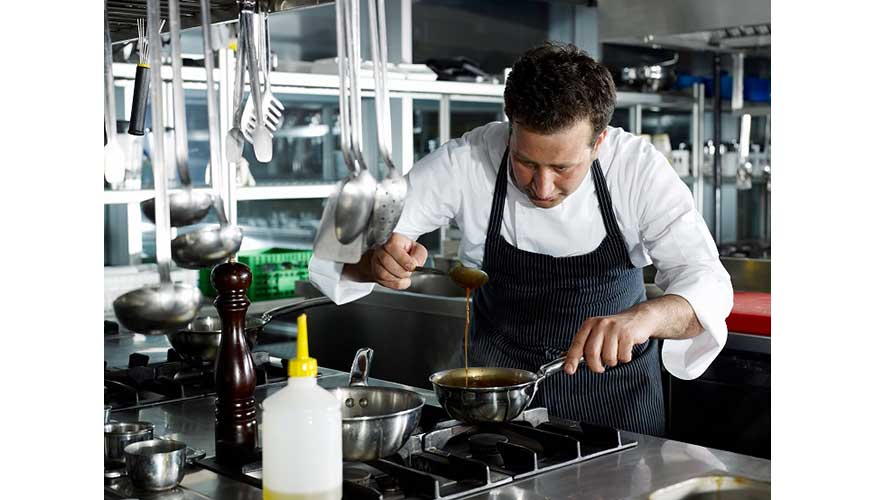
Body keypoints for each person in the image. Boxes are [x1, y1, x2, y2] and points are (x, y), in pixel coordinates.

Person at [309, 42, 732, 435]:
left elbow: (707, 283)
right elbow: (341, 243)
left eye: (563, 168)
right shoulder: (468, 161)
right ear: (510, 126)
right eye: (525, 162)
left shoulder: (637, 170)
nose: (542, 188)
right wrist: (375, 261)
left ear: (599, 141)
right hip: (498, 402)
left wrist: (645, 319)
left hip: (617, 406)